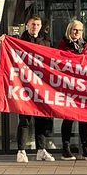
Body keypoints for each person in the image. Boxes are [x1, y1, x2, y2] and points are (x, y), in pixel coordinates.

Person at [16, 16, 55, 163]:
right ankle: (21, 151)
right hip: (24, 85)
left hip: (41, 85)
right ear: (27, 25)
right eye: (33, 24)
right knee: (24, 119)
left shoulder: (46, 41)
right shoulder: (19, 41)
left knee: (42, 118)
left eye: (38, 24)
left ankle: (41, 150)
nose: (35, 27)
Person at [57, 18, 87, 161]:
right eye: (74, 29)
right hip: (68, 86)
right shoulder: (63, 44)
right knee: (68, 118)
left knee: (84, 118)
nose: (77, 32)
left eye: (79, 30)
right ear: (69, 30)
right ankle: (66, 149)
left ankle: (85, 149)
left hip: (83, 86)